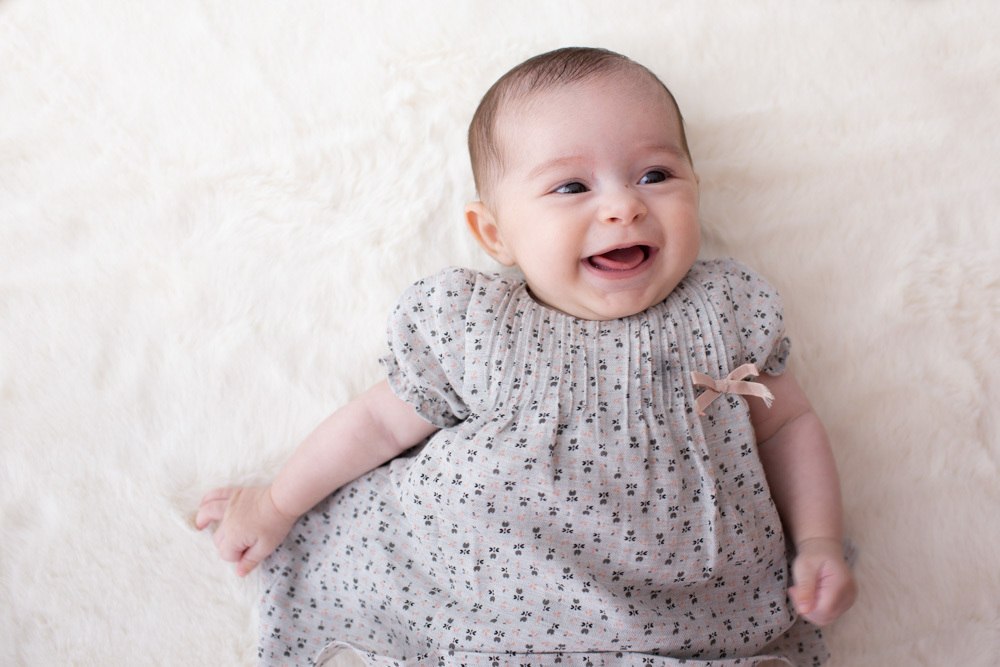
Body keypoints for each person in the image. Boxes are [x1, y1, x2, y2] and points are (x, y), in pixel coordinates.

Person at [197, 47, 856, 666]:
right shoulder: (477, 326)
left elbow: (788, 424)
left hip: (698, 617)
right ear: (497, 233)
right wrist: (276, 503)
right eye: (572, 188)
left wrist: (820, 537)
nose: (624, 206)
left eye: (655, 175)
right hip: (507, 614)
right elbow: (375, 424)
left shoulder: (724, 310)